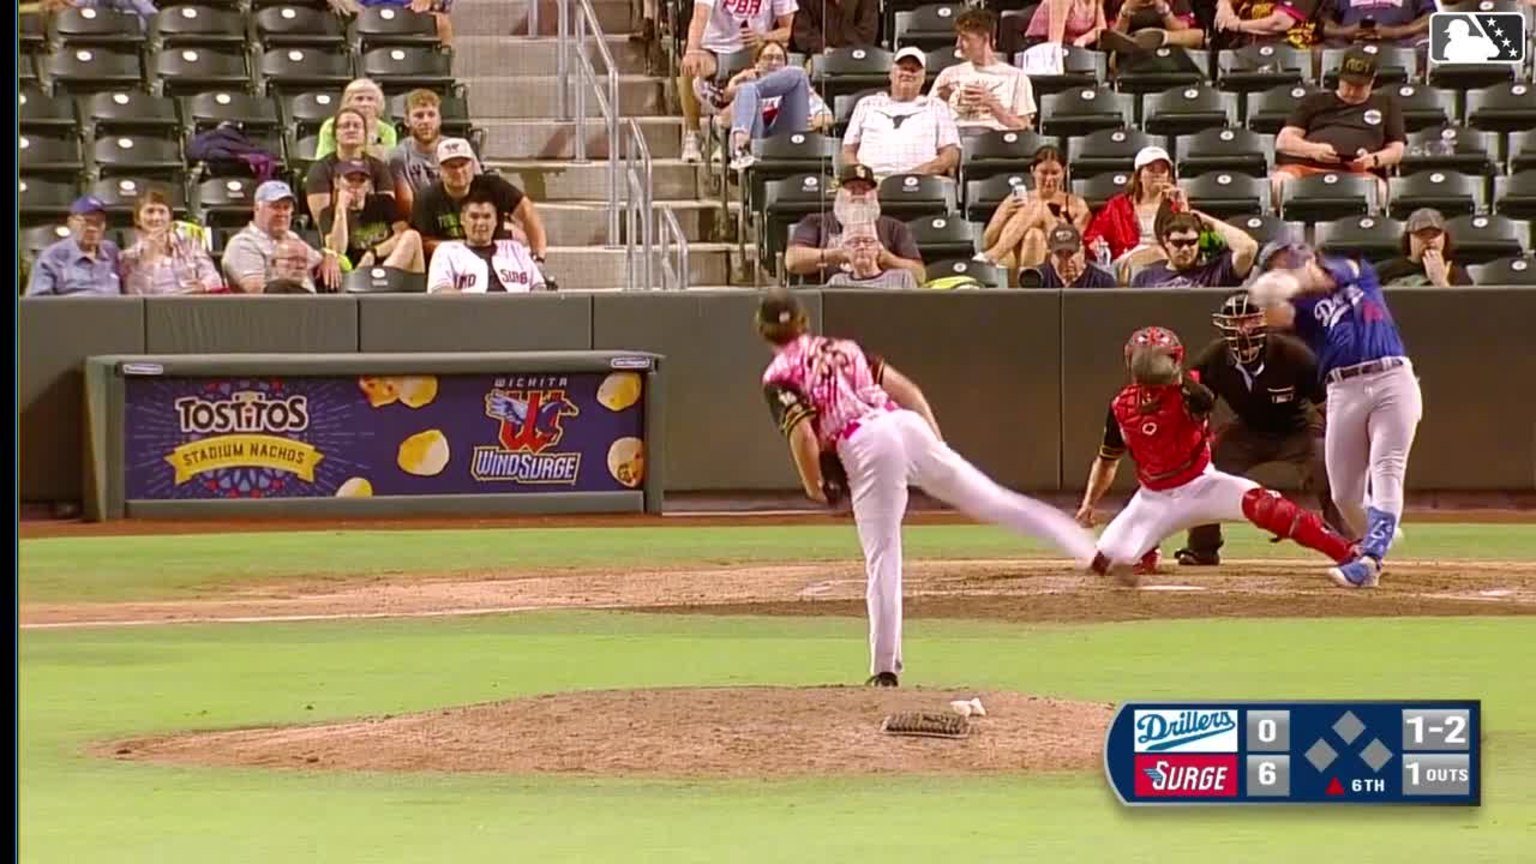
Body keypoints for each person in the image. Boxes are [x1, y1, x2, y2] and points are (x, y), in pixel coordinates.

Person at [756, 289, 1098, 685]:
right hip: (904, 423)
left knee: (884, 555)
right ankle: (1089, 550)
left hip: (864, 445)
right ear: (804, 321)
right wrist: (936, 447)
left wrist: (814, 485)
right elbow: (909, 392)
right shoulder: (846, 348)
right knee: (995, 501)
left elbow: (803, 435)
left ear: (762, 332)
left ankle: (884, 670)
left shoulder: (778, 374)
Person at [1074, 326, 1366, 586]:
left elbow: (1201, 396)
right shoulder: (1120, 407)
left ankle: (1346, 552)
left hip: (1202, 486)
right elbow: (1107, 460)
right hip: (1153, 499)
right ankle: (1146, 549)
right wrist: (1089, 504)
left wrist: (1174, 377)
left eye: (1159, 358)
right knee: (1104, 563)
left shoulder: (1191, 394)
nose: (1150, 364)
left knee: (1271, 509)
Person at [1248, 247, 1424, 588]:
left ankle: (1370, 559)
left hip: (1393, 379)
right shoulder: (1303, 309)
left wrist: (1292, 277)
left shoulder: (1357, 272)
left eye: (1289, 260)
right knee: (1344, 494)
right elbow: (1274, 317)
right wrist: (1266, 293)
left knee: (1387, 466)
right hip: (1343, 389)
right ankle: (1379, 533)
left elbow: (1327, 273)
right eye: (1278, 264)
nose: (1287, 267)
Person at [1175, 289, 1346, 565]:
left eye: (1249, 320)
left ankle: (1345, 544)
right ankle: (1202, 547)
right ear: (1224, 325)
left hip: (1299, 427)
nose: (1242, 329)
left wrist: (1339, 443)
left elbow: (1327, 406)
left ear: (1263, 322)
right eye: (1235, 322)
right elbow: (1196, 402)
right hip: (1248, 429)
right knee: (1206, 467)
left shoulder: (1294, 355)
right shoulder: (1215, 357)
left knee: (1326, 466)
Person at [1272, 46, 1404, 211]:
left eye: (1359, 86)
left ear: (1372, 80)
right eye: (1348, 84)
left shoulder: (1386, 105)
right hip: (1307, 167)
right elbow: (1284, 141)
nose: (1352, 91)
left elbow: (1397, 150)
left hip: (1358, 173)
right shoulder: (1315, 101)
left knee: (1380, 191)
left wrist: (1373, 159)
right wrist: (1312, 149)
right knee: (1279, 183)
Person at [678, 0, 798, 163]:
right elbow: (699, 16)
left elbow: (790, 29)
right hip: (714, 48)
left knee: (767, 69)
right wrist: (692, 50)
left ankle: (726, 135)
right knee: (690, 66)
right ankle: (694, 133)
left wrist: (764, 37)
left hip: (754, 50)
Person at [784, 163, 925, 284]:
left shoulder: (895, 227)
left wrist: (885, 257)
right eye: (852, 188)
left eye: (865, 189)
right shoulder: (815, 222)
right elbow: (792, 261)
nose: (859, 194)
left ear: (875, 194)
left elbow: (919, 276)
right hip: (830, 297)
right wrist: (837, 255)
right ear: (838, 192)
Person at [410, 138, 547, 262]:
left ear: (472, 165)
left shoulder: (494, 186)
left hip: (495, 259)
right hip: (447, 262)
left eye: (463, 164)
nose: (458, 171)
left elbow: (527, 210)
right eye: (452, 166)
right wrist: (466, 248)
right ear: (440, 169)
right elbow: (423, 243)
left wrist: (538, 256)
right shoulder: (426, 198)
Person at [705, 40, 832, 170]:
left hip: (786, 137)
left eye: (779, 58)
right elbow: (722, 122)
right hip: (756, 140)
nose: (774, 63)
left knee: (799, 74)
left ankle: (740, 148)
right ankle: (740, 149)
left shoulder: (798, 89)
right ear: (756, 64)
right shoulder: (744, 92)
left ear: (785, 66)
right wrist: (735, 94)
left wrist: (815, 121)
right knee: (748, 90)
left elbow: (828, 117)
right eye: (767, 58)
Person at [840, 47, 962, 180]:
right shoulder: (867, 104)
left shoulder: (937, 107)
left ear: (923, 78)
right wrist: (861, 176)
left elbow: (951, 154)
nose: (907, 73)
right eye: (903, 68)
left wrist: (917, 174)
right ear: (891, 74)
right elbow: (848, 150)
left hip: (922, 181)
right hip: (871, 181)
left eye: (913, 70)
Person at [978, 145, 1091, 269]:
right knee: (1033, 235)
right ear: (1033, 171)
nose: (1049, 178)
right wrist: (1003, 213)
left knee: (1039, 207)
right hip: (1017, 260)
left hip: (1059, 254)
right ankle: (1029, 282)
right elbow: (987, 241)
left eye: (1054, 173)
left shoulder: (1076, 204)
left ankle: (995, 254)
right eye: (1043, 172)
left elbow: (1078, 245)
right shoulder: (1015, 200)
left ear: (1063, 172)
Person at [222, 180, 342, 294]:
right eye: (276, 207)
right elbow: (256, 291)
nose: (282, 214)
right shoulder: (243, 244)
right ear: (257, 208)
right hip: (272, 310)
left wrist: (329, 256)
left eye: (286, 208)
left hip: (311, 306)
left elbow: (318, 259)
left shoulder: (292, 238)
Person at [932, 9, 1038, 133]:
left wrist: (992, 104)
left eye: (965, 38)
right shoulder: (948, 74)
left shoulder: (1016, 77)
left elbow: (1023, 126)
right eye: (958, 38)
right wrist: (942, 103)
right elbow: (926, 120)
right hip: (955, 139)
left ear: (985, 39)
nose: (958, 44)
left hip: (995, 142)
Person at [426, 186, 548, 293]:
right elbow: (440, 292)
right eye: (474, 216)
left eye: (487, 216)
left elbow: (539, 288)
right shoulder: (447, 252)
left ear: (495, 221)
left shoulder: (515, 249)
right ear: (462, 219)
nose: (481, 223)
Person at [1083, 145, 1178, 278]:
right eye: (1151, 169)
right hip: (1127, 260)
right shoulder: (1118, 205)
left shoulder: (1175, 206)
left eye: (1162, 170)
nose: (1157, 175)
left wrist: (1183, 207)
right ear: (1139, 176)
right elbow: (1093, 236)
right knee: (1158, 253)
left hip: (1165, 261)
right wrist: (1095, 244)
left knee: (1161, 256)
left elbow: (1187, 235)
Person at [319, 161, 427, 274]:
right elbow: (337, 251)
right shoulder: (327, 214)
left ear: (369, 185)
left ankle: (383, 276)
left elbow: (402, 235)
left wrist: (373, 252)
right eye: (350, 179)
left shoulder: (384, 202)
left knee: (413, 236)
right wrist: (341, 209)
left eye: (361, 180)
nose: (355, 186)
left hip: (392, 266)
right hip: (355, 276)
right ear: (337, 182)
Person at [305, 107, 399, 225]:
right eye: (345, 126)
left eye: (357, 126)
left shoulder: (378, 167)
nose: (351, 129)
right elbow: (321, 219)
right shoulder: (320, 169)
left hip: (373, 231)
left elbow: (388, 211)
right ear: (335, 134)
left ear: (365, 134)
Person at [120, 191, 223, 295]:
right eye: (150, 211)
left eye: (162, 212)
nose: (156, 218)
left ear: (170, 218)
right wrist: (148, 258)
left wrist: (202, 286)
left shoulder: (190, 245)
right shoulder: (129, 257)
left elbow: (215, 279)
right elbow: (136, 293)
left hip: (191, 304)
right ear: (137, 219)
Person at [1129, 208, 1259, 288]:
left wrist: (1210, 222)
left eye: (1191, 242)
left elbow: (1248, 248)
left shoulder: (1214, 273)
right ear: (1166, 241)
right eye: (1178, 243)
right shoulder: (1145, 278)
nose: (1185, 249)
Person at [24, 196, 122, 296]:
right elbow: (38, 302)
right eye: (86, 221)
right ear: (71, 222)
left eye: (98, 223)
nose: (92, 228)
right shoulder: (51, 256)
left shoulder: (111, 251)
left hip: (112, 310)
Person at [1375, 208, 1474, 287]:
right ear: (1409, 238)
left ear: (1444, 238)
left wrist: (1441, 282)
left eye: (1435, 234)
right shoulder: (1383, 271)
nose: (1429, 240)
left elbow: (1463, 310)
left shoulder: (1457, 273)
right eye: (1422, 234)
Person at [389, 88, 446, 216]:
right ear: (407, 121)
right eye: (419, 116)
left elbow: (476, 193)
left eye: (431, 115)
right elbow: (406, 205)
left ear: (440, 119)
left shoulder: (457, 148)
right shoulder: (397, 156)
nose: (426, 121)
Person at [313, 78, 396, 159]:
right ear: (347, 102)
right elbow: (323, 160)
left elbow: (386, 163)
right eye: (359, 99)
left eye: (370, 99)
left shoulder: (387, 131)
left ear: (379, 104)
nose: (365, 104)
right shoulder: (331, 126)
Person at [825, 222, 920, 289]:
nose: (861, 246)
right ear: (845, 251)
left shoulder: (902, 278)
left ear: (878, 247)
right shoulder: (837, 282)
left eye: (868, 241)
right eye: (854, 242)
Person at [1101, 0, 1205, 52]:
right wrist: (1125, 13)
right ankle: (1140, 41)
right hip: (1130, 49)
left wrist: (1164, 11)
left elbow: (1183, 29)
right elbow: (1112, 36)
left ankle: (1160, 37)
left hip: (1167, 47)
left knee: (1198, 35)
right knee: (1114, 40)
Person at [1033, 224, 1117, 288]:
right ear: (1051, 256)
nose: (1066, 260)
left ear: (1082, 251)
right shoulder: (1037, 279)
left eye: (1071, 253)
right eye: (1059, 254)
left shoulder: (1102, 282)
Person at [1212, 0, 1320, 50]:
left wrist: (1238, 25)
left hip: (1287, 51)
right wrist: (1224, 5)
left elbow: (1281, 22)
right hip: (1245, 49)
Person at [1319, 0, 1433, 47]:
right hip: (1349, 44)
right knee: (1318, 52)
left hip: (1401, 42)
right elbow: (1323, 22)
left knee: (1425, 45)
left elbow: (1431, 18)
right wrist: (1347, 32)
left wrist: (1394, 32)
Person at [789, 0, 877, 54]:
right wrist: (822, 49)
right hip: (819, 62)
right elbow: (803, 33)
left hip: (856, 61)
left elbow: (867, 32)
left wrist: (841, 53)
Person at [1026, 0, 1109, 47]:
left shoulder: (1096, 1)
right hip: (1040, 45)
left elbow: (1101, 28)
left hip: (1070, 45)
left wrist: (1084, 39)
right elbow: (1054, 42)